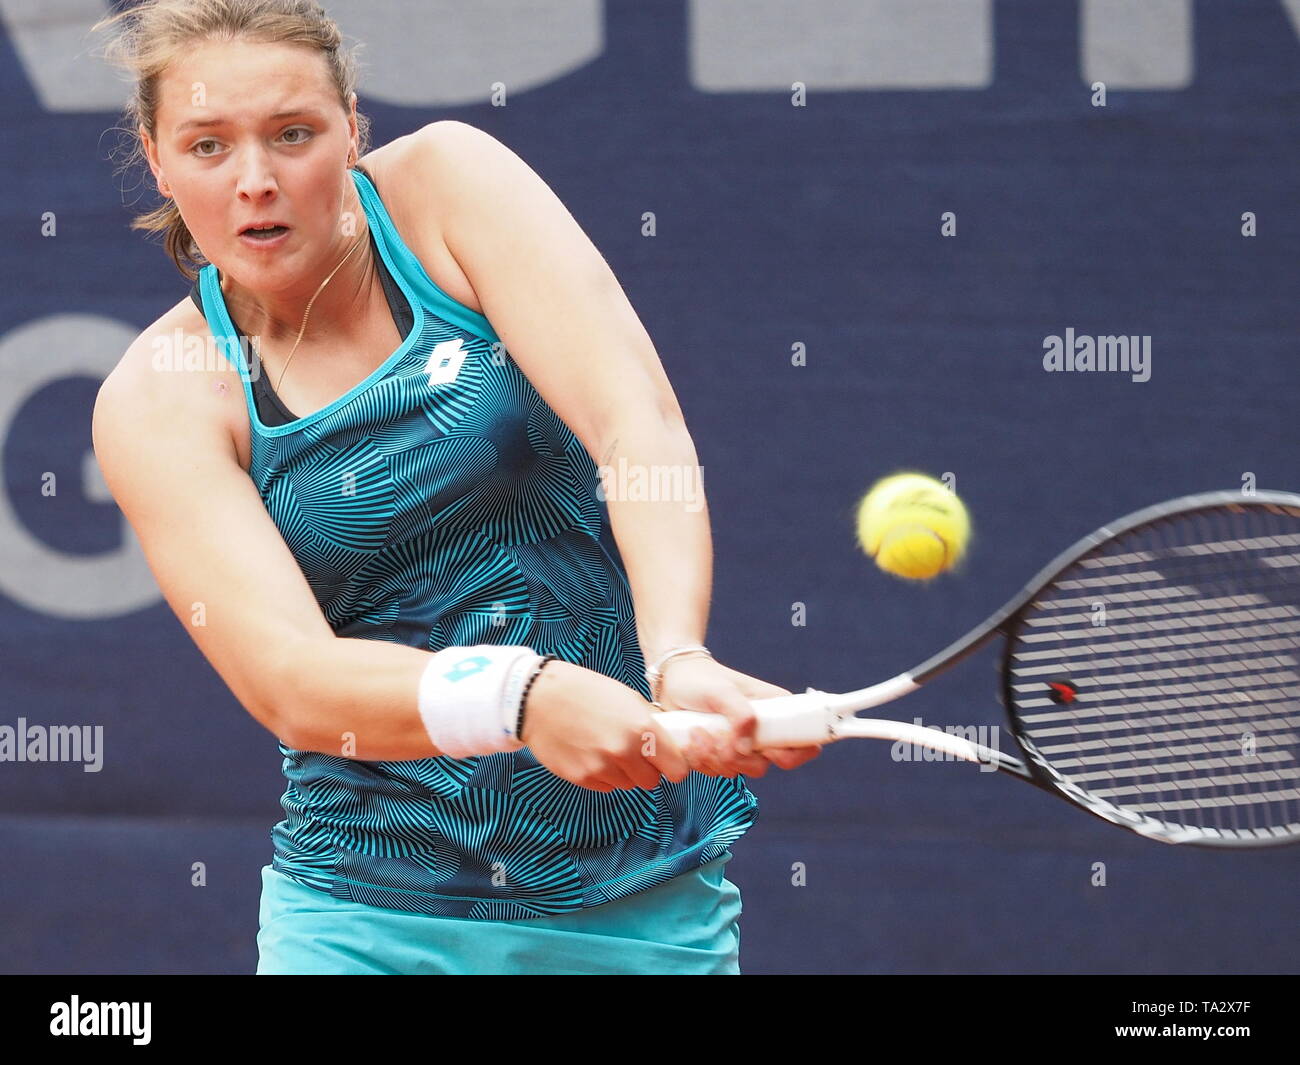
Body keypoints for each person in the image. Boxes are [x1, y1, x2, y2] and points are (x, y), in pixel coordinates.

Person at [89, 0, 818, 975]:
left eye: (293, 134)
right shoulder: (159, 398)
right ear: (160, 160)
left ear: (351, 123)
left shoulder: (449, 189)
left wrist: (676, 650)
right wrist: (523, 694)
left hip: (642, 900)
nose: (256, 182)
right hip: (362, 923)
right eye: (209, 146)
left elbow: (631, 422)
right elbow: (292, 683)